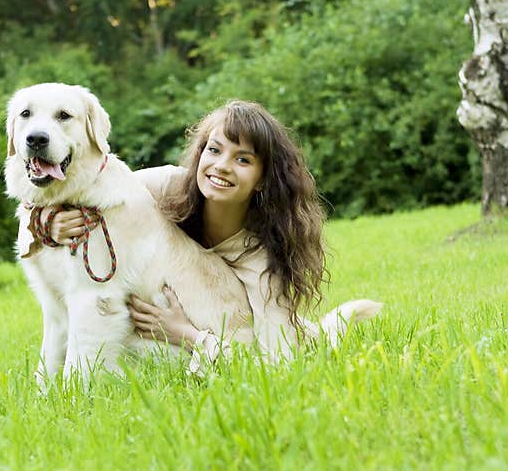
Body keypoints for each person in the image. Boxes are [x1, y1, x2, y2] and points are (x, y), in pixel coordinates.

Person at [21, 100, 381, 368]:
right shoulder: (162, 186)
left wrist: (186, 335)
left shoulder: (260, 259)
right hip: (187, 304)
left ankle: (324, 330)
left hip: (234, 321)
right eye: (214, 149)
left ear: (263, 179)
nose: (222, 166)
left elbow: (277, 363)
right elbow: (85, 195)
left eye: (243, 159)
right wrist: (45, 225)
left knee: (297, 341)